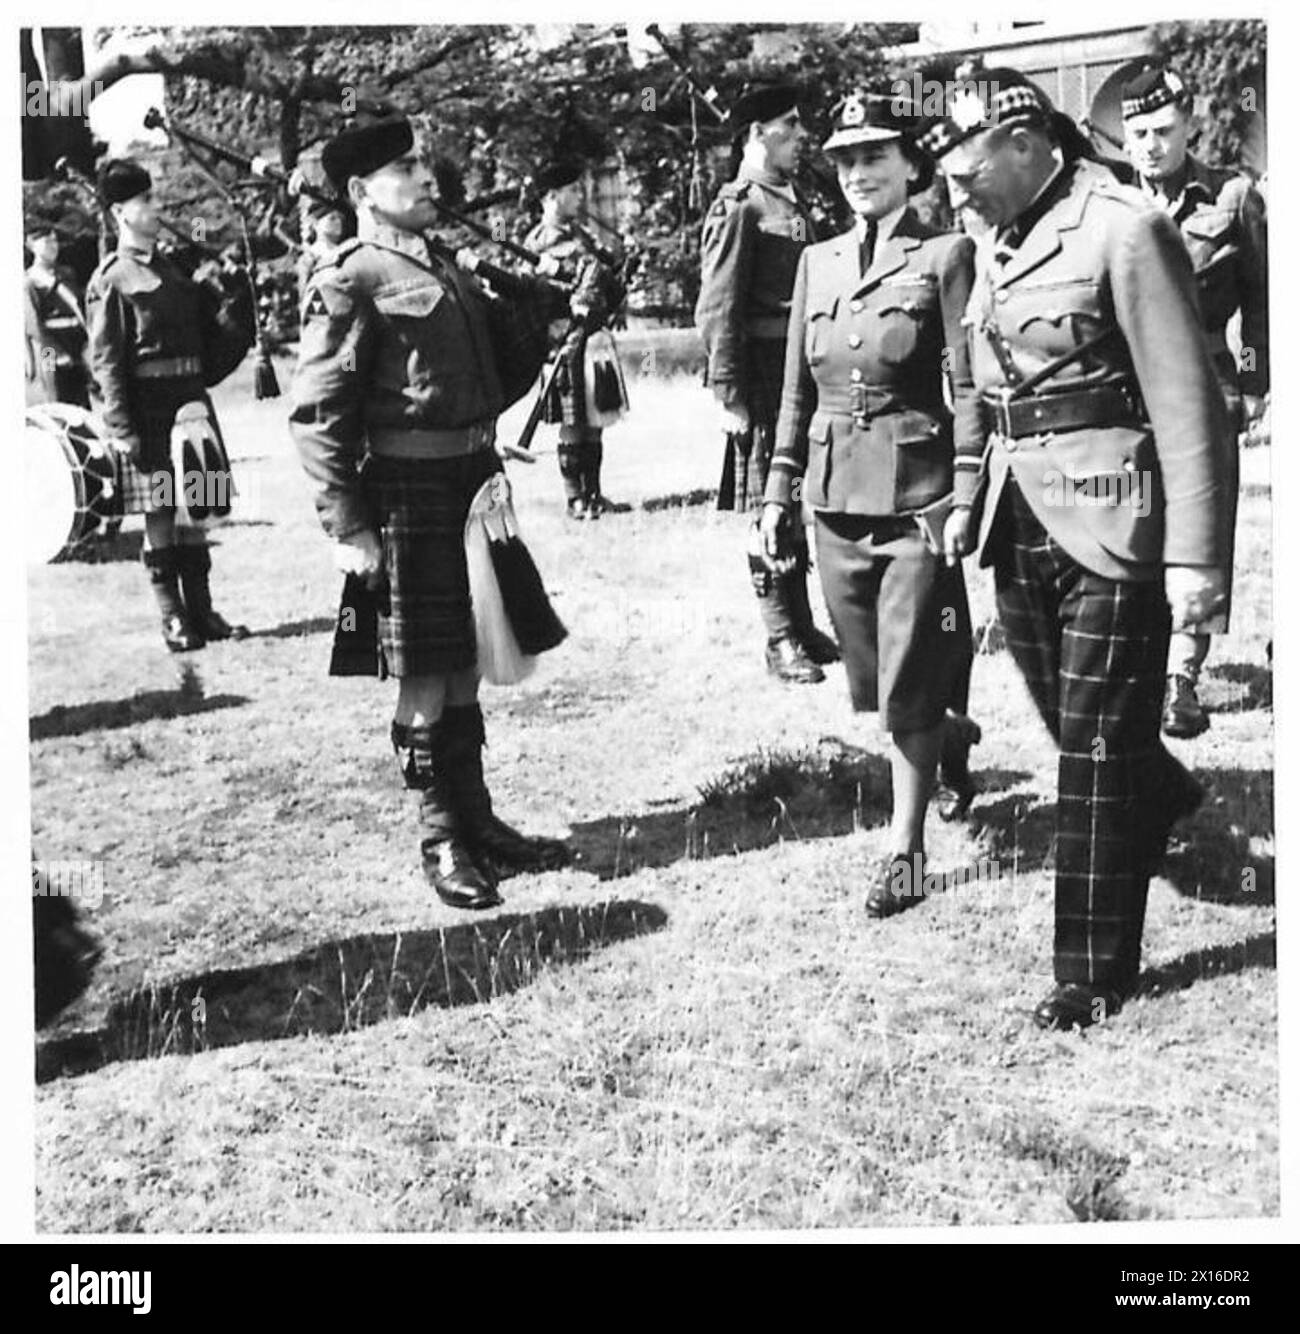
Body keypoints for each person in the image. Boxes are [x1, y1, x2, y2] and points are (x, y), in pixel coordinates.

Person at [926, 70, 1232, 1030]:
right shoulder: (996, 240)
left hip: (1112, 514)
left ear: (1025, 145)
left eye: (967, 167)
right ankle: (1161, 787)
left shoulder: (1123, 226)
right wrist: (970, 492)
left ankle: (1091, 971)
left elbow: (1189, 402)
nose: (955, 189)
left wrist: (1198, 559)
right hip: (1021, 513)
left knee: (1093, 749)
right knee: (1075, 719)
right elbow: (987, 387)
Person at [290, 118, 575, 910]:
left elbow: (485, 370)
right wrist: (347, 526)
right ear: (359, 193)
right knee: (423, 669)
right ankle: (441, 837)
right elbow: (319, 413)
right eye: (403, 167)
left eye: (421, 162)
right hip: (408, 493)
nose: (424, 176)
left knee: (464, 661)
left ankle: (478, 823)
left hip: (470, 477)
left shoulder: (445, 264)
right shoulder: (352, 275)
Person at [760, 93, 979, 914]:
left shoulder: (946, 254)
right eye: (846, 159)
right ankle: (947, 737)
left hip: (917, 496)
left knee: (908, 678)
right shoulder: (817, 261)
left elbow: (969, 383)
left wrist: (965, 489)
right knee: (873, 678)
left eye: (876, 156)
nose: (859, 173)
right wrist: (777, 489)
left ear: (911, 165)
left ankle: (906, 852)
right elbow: (794, 390)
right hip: (833, 495)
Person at [1119, 62, 1269, 739]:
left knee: (1202, 532)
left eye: (1163, 130)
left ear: (1189, 126)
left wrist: (1255, 382)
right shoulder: (1113, 202)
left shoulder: (1232, 198)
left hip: (1207, 385)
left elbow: (1265, 301)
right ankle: (1140, 663)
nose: (1150, 145)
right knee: (1136, 527)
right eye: (1138, 132)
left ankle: (1182, 675)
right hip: (1128, 391)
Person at [695, 84, 839, 685]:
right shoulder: (740, 206)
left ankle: (802, 625)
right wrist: (727, 391)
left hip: (799, 367)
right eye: (790, 125)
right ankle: (779, 635)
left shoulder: (792, 197)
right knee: (766, 504)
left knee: (795, 493)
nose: (802, 135)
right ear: (758, 134)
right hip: (760, 372)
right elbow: (717, 305)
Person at [86, 159, 251, 652]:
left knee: (199, 508)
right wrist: (122, 427)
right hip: (150, 412)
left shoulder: (172, 270)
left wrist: (234, 293)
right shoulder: (112, 279)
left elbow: (209, 338)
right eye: (146, 202)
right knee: (161, 508)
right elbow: (107, 360)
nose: (156, 210)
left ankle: (203, 612)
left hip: (192, 404)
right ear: (120, 212)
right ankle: (172, 617)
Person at [524, 159, 629, 520]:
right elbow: (529, 295)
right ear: (551, 197)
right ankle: (575, 499)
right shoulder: (538, 242)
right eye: (571, 191)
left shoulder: (583, 236)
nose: (579, 196)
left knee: (596, 417)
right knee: (572, 422)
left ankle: (595, 494)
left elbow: (604, 281)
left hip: (594, 338)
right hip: (564, 340)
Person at [24, 221, 92, 407]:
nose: (53, 247)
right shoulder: (29, 282)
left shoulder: (67, 274)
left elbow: (78, 310)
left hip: (75, 345)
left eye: (55, 241)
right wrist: (56, 354)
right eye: (46, 242)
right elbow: (34, 327)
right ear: (31, 246)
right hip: (48, 349)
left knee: (82, 406)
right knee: (56, 403)